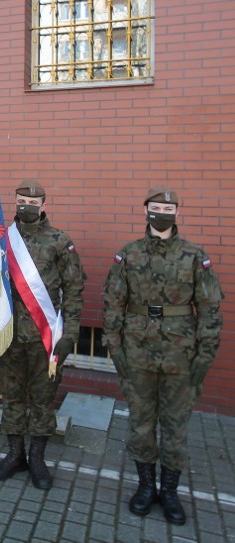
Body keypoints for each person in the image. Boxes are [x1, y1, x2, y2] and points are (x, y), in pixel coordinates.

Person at [103, 187, 222, 525]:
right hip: (138, 353)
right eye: (155, 207)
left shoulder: (195, 256)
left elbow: (211, 309)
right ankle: (145, 487)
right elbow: (113, 305)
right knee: (141, 424)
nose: (161, 213)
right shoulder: (129, 255)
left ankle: (169, 491)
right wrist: (115, 348)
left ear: (177, 212)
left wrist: (205, 355)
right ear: (145, 211)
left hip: (180, 355)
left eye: (168, 208)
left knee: (175, 428)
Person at [0, 180, 85, 489]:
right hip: (9, 332)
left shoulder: (60, 241)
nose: (25, 206)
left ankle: (38, 458)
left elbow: (73, 291)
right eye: (20, 200)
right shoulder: (2, 239)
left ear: (44, 205)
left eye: (32, 202)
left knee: (43, 399)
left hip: (46, 334)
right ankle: (15, 454)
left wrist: (70, 333)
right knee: (13, 397)